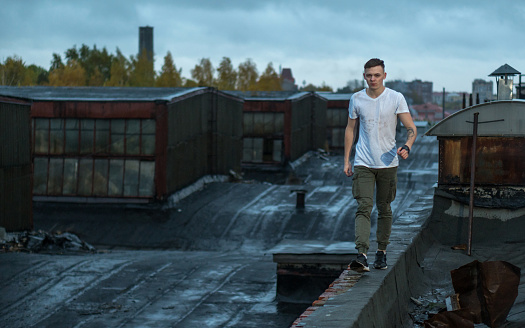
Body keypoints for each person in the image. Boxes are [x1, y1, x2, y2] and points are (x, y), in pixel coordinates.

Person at [344, 58, 416, 272]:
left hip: (388, 164)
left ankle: (381, 253)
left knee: (384, 208)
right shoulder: (356, 99)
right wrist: (346, 159)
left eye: (377, 75)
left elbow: (411, 127)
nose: (373, 79)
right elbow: (350, 129)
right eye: (369, 75)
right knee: (363, 207)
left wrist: (408, 146)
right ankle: (361, 255)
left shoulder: (396, 98)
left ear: (384, 75)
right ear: (364, 76)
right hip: (363, 162)